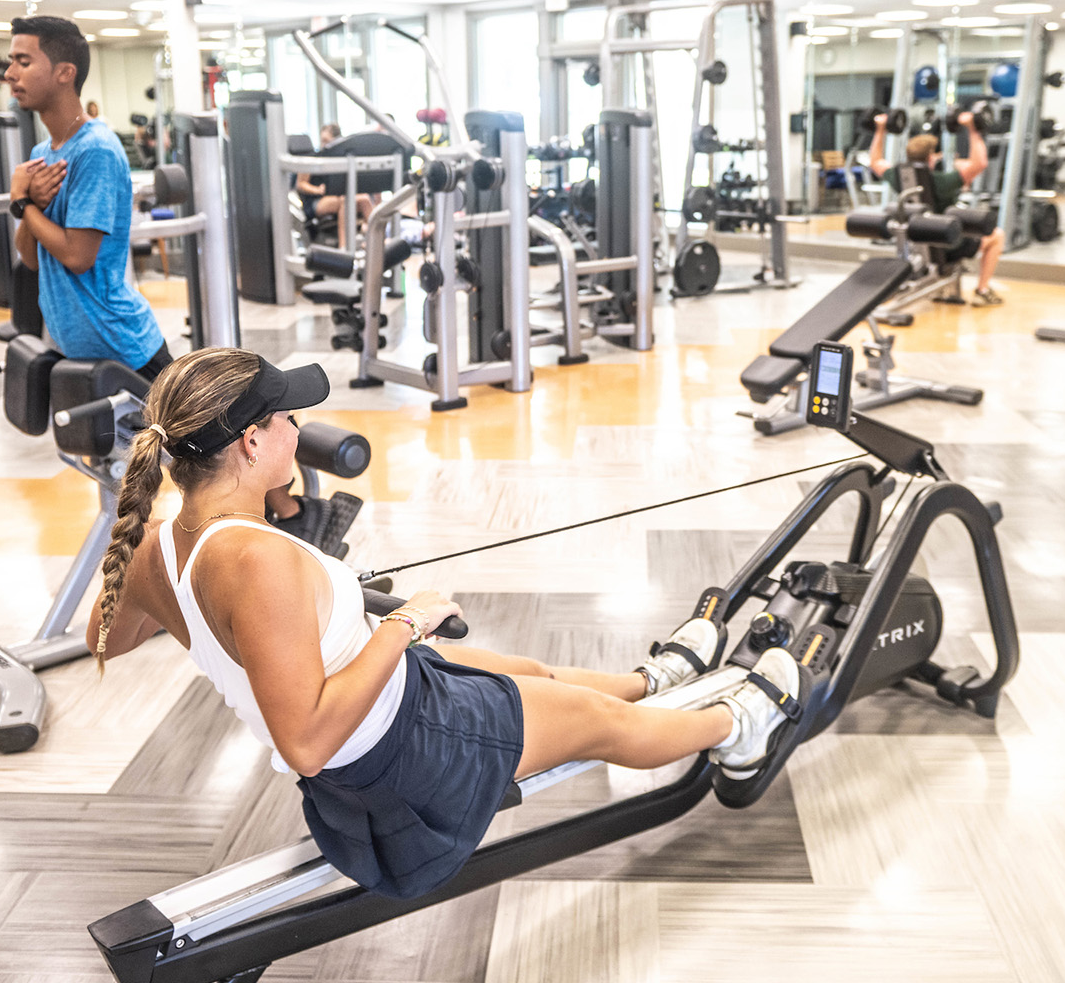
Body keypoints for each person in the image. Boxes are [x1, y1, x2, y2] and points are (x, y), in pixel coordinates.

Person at [84, 348, 802, 900]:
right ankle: (739, 727)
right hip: (404, 751)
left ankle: (653, 680)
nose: (299, 430)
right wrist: (408, 622)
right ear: (250, 442)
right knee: (597, 724)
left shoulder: (154, 548)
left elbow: (105, 638)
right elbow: (305, 744)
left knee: (531, 673)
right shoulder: (255, 560)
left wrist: (236, 619)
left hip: (389, 703)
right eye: (287, 419)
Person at [3, 15, 330, 542]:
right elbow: (32, 255)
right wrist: (25, 205)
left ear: (64, 72)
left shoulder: (94, 151)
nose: (10, 73)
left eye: (23, 61)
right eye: (11, 61)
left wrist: (23, 203)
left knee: (214, 431)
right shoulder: (42, 157)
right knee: (188, 442)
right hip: (78, 341)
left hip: (119, 338)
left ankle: (292, 516)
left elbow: (79, 255)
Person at [870, 110, 1006, 304]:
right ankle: (982, 290)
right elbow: (980, 163)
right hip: (947, 245)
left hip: (915, 243)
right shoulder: (941, 182)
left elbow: (875, 161)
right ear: (931, 158)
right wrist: (972, 129)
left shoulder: (898, 177)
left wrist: (880, 130)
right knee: (997, 235)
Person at [296, 123, 376, 230]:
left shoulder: (341, 161)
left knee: (365, 199)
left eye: (328, 141)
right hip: (316, 201)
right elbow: (300, 184)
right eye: (323, 141)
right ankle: (344, 241)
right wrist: (317, 190)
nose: (324, 145)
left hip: (338, 196)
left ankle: (376, 236)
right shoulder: (311, 159)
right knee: (345, 201)